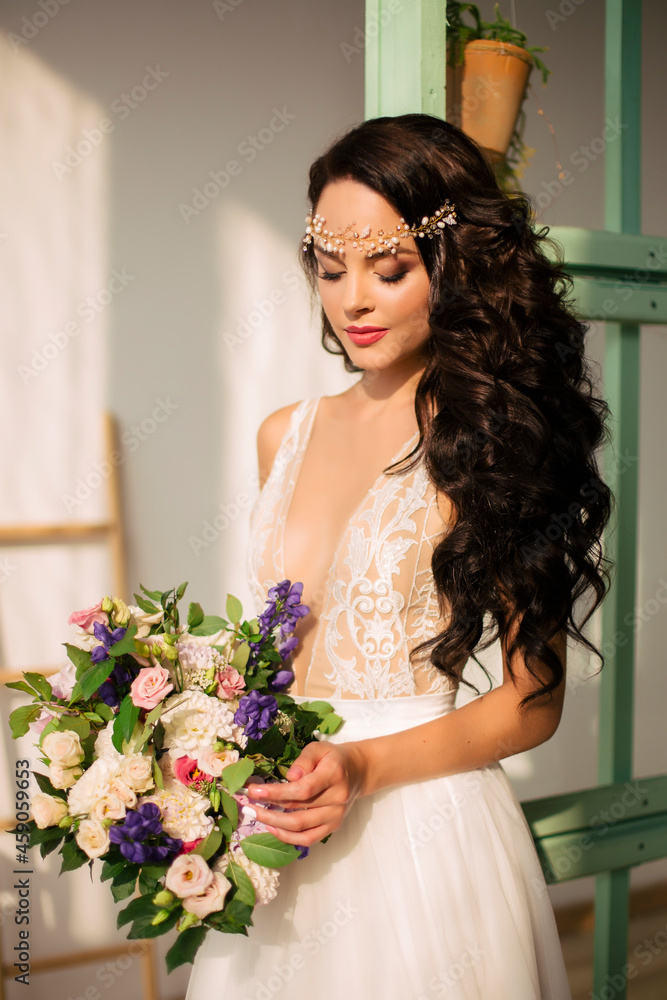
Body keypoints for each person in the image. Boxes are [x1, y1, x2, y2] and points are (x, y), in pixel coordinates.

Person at [186, 114, 611, 1000]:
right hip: (281, 824)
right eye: (330, 270)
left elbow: (533, 704)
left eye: (388, 270)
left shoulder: (488, 438)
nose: (354, 301)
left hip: (420, 828)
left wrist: (365, 765)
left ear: (454, 269)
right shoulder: (283, 436)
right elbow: (269, 656)